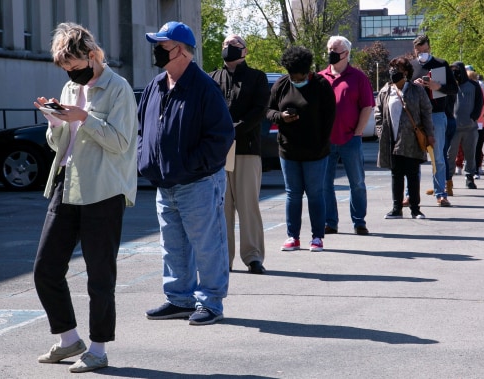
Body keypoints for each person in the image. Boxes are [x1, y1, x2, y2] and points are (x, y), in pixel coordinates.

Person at [32, 22, 138, 373]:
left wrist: (84, 118)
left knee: (100, 275)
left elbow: (121, 143)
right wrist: (55, 122)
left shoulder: (118, 88)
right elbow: (59, 144)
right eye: (67, 71)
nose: (73, 76)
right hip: (68, 183)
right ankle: (68, 339)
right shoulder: (67, 87)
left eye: (76, 69)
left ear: (92, 56)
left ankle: (98, 349)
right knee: (45, 268)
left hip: (103, 190)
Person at [138, 22, 234, 326]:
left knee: (208, 246)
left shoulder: (204, 87)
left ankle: (211, 303)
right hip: (165, 184)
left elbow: (221, 137)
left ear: (180, 50)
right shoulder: (156, 85)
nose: (156, 51)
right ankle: (179, 299)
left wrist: (191, 164)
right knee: (173, 246)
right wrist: (146, 160)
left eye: (161, 45)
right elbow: (143, 129)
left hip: (198, 183)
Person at [209, 34, 268, 274]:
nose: (227, 48)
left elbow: (259, 110)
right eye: (224, 44)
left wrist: (233, 129)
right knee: (222, 208)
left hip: (246, 149)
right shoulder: (211, 78)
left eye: (233, 45)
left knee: (248, 205)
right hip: (219, 153)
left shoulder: (257, 77)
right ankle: (224, 258)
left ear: (244, 51)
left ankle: (253, 256)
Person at [267, 46, 336, 252]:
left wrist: (321, 144)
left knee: (315, 194)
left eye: (300, 76)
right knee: (293, 194)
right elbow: (268, 110)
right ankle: (292, 237)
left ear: (308, 71)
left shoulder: (322, 85)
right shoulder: (281, 84)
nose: (296, 80)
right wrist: (281, 117)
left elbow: (329, 118)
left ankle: (317, 237)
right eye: (293, 76)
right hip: (289, 151)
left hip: (316, 152)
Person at [319, 36, 374, 236]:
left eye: (335, 49)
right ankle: (330, 222)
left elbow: (367, 106)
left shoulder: (358, 77)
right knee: (325, 184)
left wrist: (358, 131)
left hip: (350, 139)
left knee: (357, 182)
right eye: (329, 48)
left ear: (346, 53)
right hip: (325, 141)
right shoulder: (320, 77)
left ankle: (359, 221)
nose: (331, 52)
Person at [375, 57, 434, 219]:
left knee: (413, 174)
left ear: (406, 72)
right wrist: (380, 131)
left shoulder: (417, 90)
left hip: (412, 139)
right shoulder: (386, 90)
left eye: (397, 69)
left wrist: (430, 134)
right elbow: (378, 112)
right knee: (396, 174)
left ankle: (415, 208)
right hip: (391, 139)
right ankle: (396, 208)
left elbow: (426, 112)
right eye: (391, 69)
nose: (393, 72)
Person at [410, 35, 458, 207]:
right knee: (413, 157)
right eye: (418, 51)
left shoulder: (440, 64)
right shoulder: (411, 65)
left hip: (436, 114)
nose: (421, 54)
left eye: (424, 50)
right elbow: (402, 89)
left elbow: (454, 89)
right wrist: (413, 85)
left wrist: (438, 87)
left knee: (437, 157)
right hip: (416, 116)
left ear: (429, 48)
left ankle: (441, 193)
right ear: (414, 50)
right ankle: (411, 195)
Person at [446, 62, 483, 190]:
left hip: (470, 127)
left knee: (470, 154)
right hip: (453, 127)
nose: (455, 73)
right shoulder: (450, 86)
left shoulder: (474, 86)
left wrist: (473, 117)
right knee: (450, 154)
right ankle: (448, 179)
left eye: (456, 70)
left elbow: (480, 102)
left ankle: (470, 178)